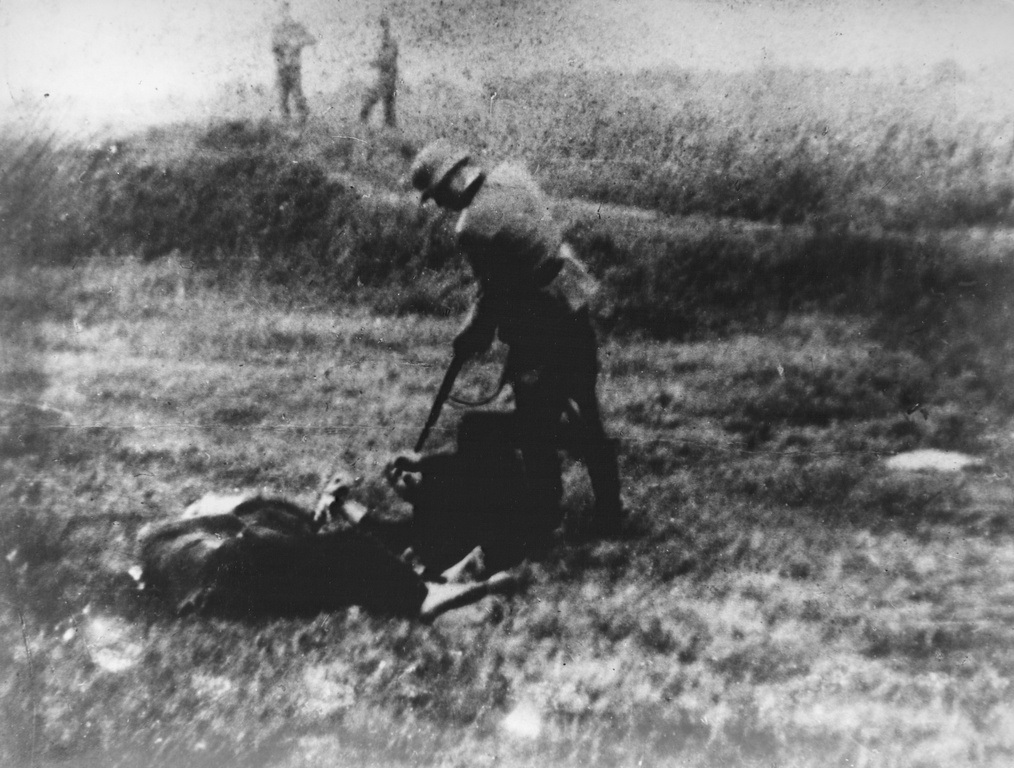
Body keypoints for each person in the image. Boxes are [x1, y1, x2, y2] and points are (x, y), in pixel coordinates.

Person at [409, 141, 627, 539]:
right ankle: (611, 512)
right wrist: (475, 322)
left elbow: (494, 292)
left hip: (538, 325)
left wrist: (471, 335)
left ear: (451, 181)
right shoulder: (514, 175)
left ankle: (545, 518)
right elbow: (507, 271)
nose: (441, 205)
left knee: (533, 423)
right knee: (586, 411)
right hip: (571, 303)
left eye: (439, 196)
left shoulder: (472, 226)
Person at [136, 472, 512, 622]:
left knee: (333, 576)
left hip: (238, 592)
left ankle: (433, 592)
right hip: (231, 571)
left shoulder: (171, 543)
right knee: (345, 550)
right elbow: (252, 519)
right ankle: (425, 592)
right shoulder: (179, 530)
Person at [271, 1, 317, 125]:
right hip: (282, 68)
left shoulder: (297, 27)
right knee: (282, 98)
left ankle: (303, 122)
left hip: (294, 67)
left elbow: (312, 39)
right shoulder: (278, 30)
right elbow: (274, 48)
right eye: (281, 11)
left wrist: (298, 42)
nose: (284, 14)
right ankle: (285, 126)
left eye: (286, 10)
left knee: (297, 95)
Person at [359, 14, 398, 128]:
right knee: (388, 111)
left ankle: (362, 127)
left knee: (372, 105)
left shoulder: (391, 43)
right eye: (381, 26)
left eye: (384, 26)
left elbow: (388, 60)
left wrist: (374, 63)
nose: (382, 29)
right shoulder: (383, 43)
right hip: (385, 80)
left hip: (388, 81)